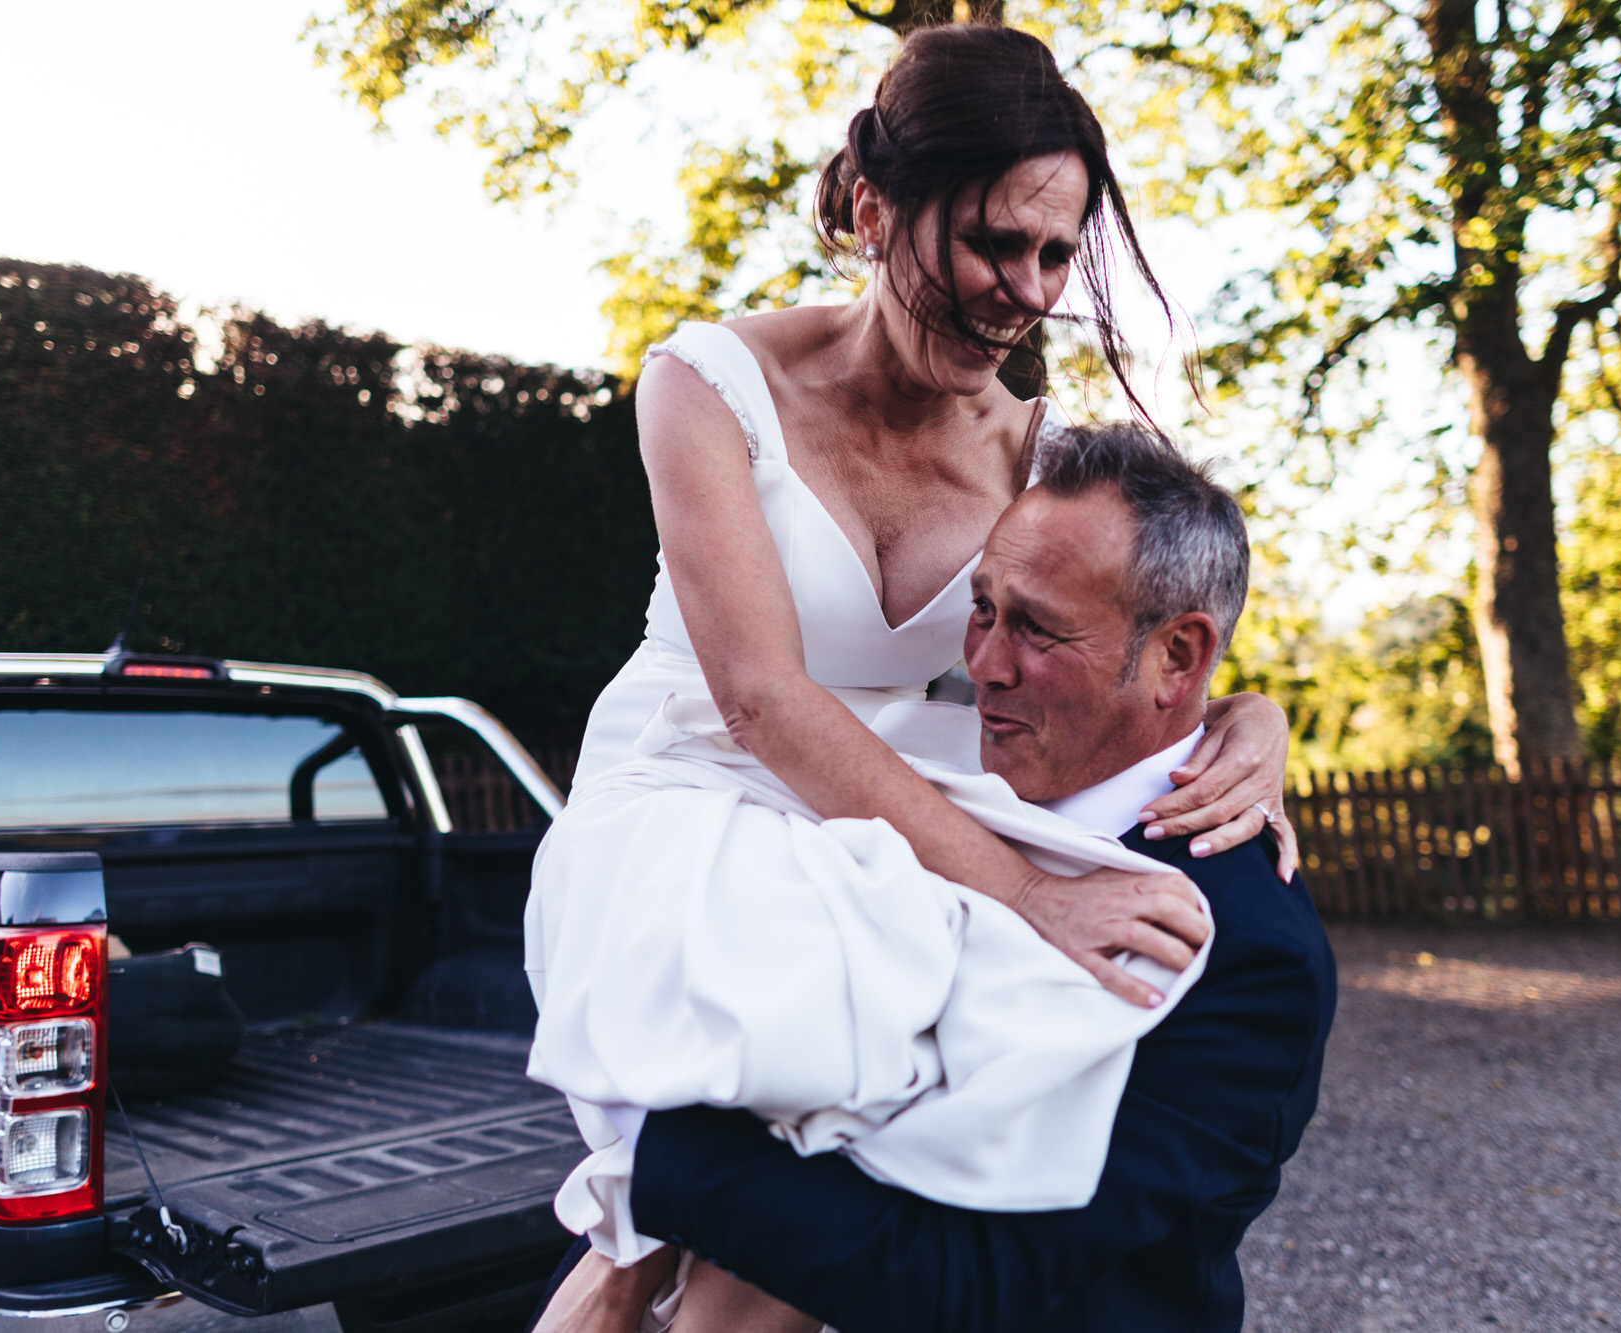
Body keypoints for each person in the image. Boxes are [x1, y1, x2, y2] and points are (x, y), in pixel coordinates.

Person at [525, 24, 1300, 1330]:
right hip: (706, 808)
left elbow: (1128, 630)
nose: (1032, 288)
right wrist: (1027, 896)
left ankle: (638, 1228)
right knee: (721, 1196)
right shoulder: (710, 383)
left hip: (902, 830)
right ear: (876, 209)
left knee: (784, 1252)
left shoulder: (1039, 448)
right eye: (999, 241)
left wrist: (1247, 714)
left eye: (1059, 252)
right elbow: (762, 699)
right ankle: (631, 1227)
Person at [562, 423, 1338, 1333]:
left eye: (1037, 629)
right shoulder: (925, 788)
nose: (982, 665)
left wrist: (649, 1111)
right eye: (982, 609)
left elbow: (957, 1284)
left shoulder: (1250, 950)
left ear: (1178, 657)